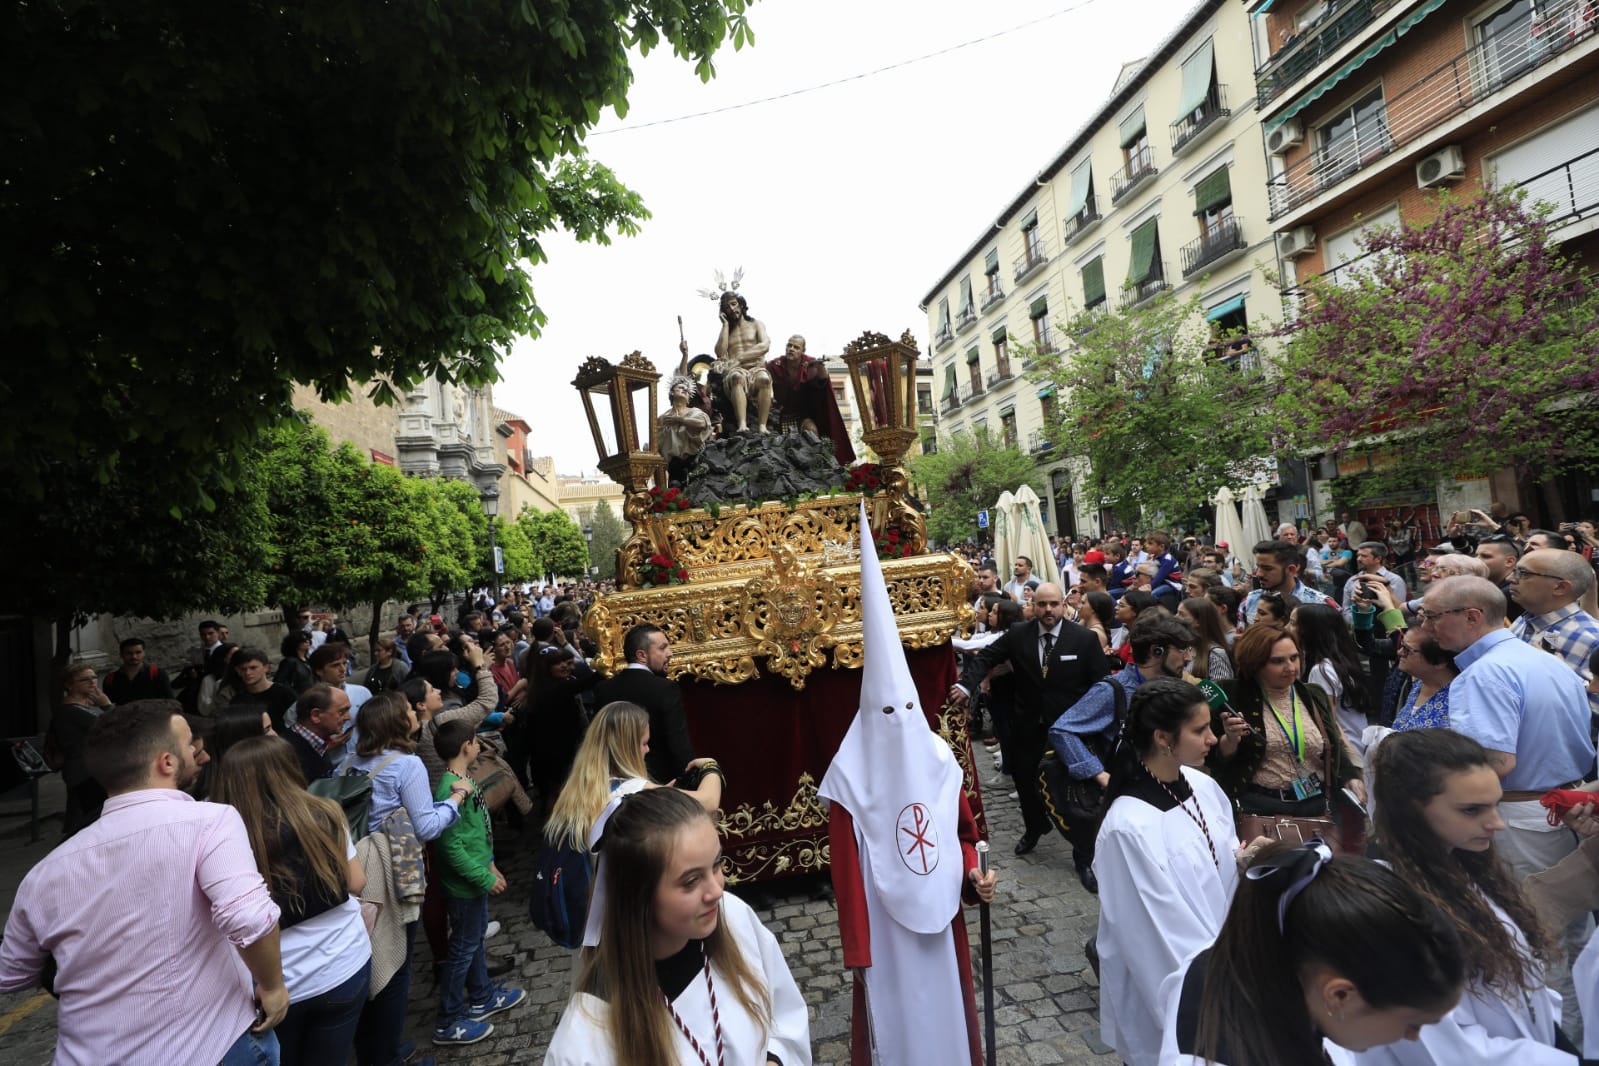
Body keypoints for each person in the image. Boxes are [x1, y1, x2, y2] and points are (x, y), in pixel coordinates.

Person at [0, 700, 288, 1065]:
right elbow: (249, 918)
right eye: (189, 746)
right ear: (166, 762)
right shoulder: (210, 821)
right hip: (210, 1046)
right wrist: (273, 986)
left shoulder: (43, 873)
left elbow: (12, 974)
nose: (200, 755)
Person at [825, 509, 997, 1064]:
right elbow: (848, 873)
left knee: (947, 1011)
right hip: (884, 926)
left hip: (941, 914)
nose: (899, 719)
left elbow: (963, 833)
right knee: (897, 1024)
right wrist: (858, 946)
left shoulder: (940, 760)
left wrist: (972, 873)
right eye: (887, 711)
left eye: (907, 709)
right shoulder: (851, 777)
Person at [544, 787, 812, 1064]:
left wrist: (774, 1059)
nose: (716, 891)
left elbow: (784, 1018)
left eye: (717, 865)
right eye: (691, 881)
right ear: (638, 897)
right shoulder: (585, 1040)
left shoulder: (732, 917)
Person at [1361, 729, 1570, 1064]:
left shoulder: (1462, 870)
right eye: (1472, 810)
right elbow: (1444, 1049)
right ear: (1411, 809)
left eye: (1495, 805)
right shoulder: (1391, 913)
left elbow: (1523, 991)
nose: (1497, 823)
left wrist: (1554, 1040)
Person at [1160, 842, 1465, 1065]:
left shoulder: (1258, 964)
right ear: (1340, 996)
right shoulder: (1223, 1050)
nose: (1413, 1038)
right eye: (1413, 1024)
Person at [1094, 678, 1246, 1066]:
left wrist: (1244, 859)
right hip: (1181, 987)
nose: (1212, 738)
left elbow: (1219, 855)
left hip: (1227, 964)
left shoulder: (1201, 784)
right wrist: (1216, 996)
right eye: (1199, 730)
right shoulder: (1128, 827)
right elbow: (1155, 935)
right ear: (1163, 737)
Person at [212, 734, 373, 1066]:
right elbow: (356, 881)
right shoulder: (326, 812)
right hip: (344, 961)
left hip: (276, 985)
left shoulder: (222, 841)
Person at [346, 691, 474, 1066]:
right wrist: (456, 800)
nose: (413, 712)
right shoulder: (407, 765)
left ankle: (375, 1049)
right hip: (390, 868)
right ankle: (386, 1055)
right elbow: (427, 826)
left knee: (369, 959)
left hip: (357, 865)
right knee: (396, 964)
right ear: (398, 722)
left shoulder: (351, 761)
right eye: (407, 710)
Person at [951, 582, 1109, 856]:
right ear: (1033, 606)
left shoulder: (1084, 639)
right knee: (1025, 782)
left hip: (1070, 730)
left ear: (1063, 605)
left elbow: (1101, 685)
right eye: (1042, 604)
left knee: (1075, 788)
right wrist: (966, 686)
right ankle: (1035, 827)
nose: (1048, 610)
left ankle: (1083, 854)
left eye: (1054, 604)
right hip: (1027, 725)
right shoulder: (1018, 634)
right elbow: (986, 657)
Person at [1047, 613, 1199, 891]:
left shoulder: (1175, 686)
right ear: (1157, 652)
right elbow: (1062, 730)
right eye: (1182, 650)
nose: (1188, 657)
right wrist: (1097, 773)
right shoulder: (1112, 690)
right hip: (1121, 794)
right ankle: (1087, 862)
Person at [1206, 624, 1366, 850]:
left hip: (1316, 806)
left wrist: (1351, 777)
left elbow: (1333, 744)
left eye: (1294, 658)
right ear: (1255, 662)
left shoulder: (1312, 694)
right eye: (1278, 661)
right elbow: (1211, 758)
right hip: (1259, 809)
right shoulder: (1230, 695)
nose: (1290, 667)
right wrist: (1229, 741)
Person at [430, 720, 526, 1047]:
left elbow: (477, 832)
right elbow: (450, 847)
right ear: (466, 747)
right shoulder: (449, 790)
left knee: (473, 941)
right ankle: (449, 1018)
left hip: (475, 878)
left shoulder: (464, 779)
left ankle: (482, 996)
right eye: (475, 741)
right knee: (463, 947)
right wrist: (482, 876)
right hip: (464, 885)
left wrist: (490, 863)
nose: (478, 746)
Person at [593, 624, 696, 786]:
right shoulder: (665, 688)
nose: (670, 653)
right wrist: (691, 782)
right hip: (663, 784)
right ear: (642, 655)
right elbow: (678, 744)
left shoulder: (603, 689)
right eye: (663, 648)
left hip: (615, 783)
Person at [1290, 602, 1377, 758]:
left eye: (1292, 623)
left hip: (1347, 753)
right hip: (1359, 746)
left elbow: (1328, 724)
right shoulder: (1340, 662)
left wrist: (1352, 765)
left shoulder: (1321, 671)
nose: (1286, 628)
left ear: (1310, 631)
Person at [525, 643, 602, 807]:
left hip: (549, 751)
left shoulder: (537, 688)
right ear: (547, 668)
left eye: (566, 663)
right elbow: (591, 681)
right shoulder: (559, 688)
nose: (565, 667)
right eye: (558, 664)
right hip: (558, 751)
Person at [765, 334, 855, 464]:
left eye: (796, 347)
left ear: (802, 351)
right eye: (789, 345)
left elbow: (821, 384)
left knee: (812, 431)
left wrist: (821, 368)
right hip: (777, 417)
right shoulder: (775, 365)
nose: (791, 349)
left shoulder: (810, 364)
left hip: (801, 416)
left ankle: (815, 466)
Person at [48, 662, 113, 836]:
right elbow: (115, 725)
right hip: (84, 772)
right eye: (85, 680)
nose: (93, 682)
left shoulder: (88, 705)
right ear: (69, 685)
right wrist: (107, 705)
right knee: (89, 820)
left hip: (94, 770)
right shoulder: (71, 710)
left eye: (93, 677)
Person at [712, 289, 773, 434]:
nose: (732, 309)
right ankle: (742, 424)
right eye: (727, 307)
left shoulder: (756, 324)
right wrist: (725, 325)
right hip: (736, 372)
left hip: (756, 368)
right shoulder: (727, 331)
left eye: (734, 304)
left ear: (741, 305)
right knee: (736, 377)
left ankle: (762, 426)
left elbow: (765, 345)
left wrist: (739, 359)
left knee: (764, 379)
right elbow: (720, 352)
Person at [1240, 539, 1339, 627]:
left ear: (1291, 570)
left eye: (1267, 568)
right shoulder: (1250, 601)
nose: (1259, 574)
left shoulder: (1321, 604)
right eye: (1258, 567)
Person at [284, 683, 353, 783]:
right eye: (342, 712)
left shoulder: (317, 744)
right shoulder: (288, 755)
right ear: (316, 715)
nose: (348, 717)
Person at [659, 373, 715, 485]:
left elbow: (702, 424)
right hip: (674, 465)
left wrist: (680, 420)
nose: (684, 390)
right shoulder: (662, 418)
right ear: (672, 392)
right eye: (680, 388)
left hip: (695, 460)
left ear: (689, 398)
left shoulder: (695, 412)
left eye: (687, 390)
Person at [226, 646, 299, 732]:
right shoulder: (237, 701)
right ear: (237, 671)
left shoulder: (285, 694)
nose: (248, 673)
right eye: (243, 669)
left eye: (253, 668)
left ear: (266, 667)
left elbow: (297, 725)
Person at [102, 637, 175, 702]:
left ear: (144, 653)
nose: (134, 656)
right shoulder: (111, 679)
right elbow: (109, 704)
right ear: (121, 654)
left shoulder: (157, 674)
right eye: (129, 653)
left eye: (138, 652)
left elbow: (170, 701)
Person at [1179, 597, 1233, 680]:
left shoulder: (1215, 654)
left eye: (1181, 615)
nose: (1175, 617)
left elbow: (1219, 690)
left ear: (1198, 621)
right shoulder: (1184, 648)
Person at [278, 630, 316, 696]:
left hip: (312, 696)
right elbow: (280, 682)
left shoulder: (308, 660)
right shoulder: (289, 662)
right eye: (303, 640)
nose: (307, 641)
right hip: (298, 699)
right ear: (295, 643)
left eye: (308, 639)